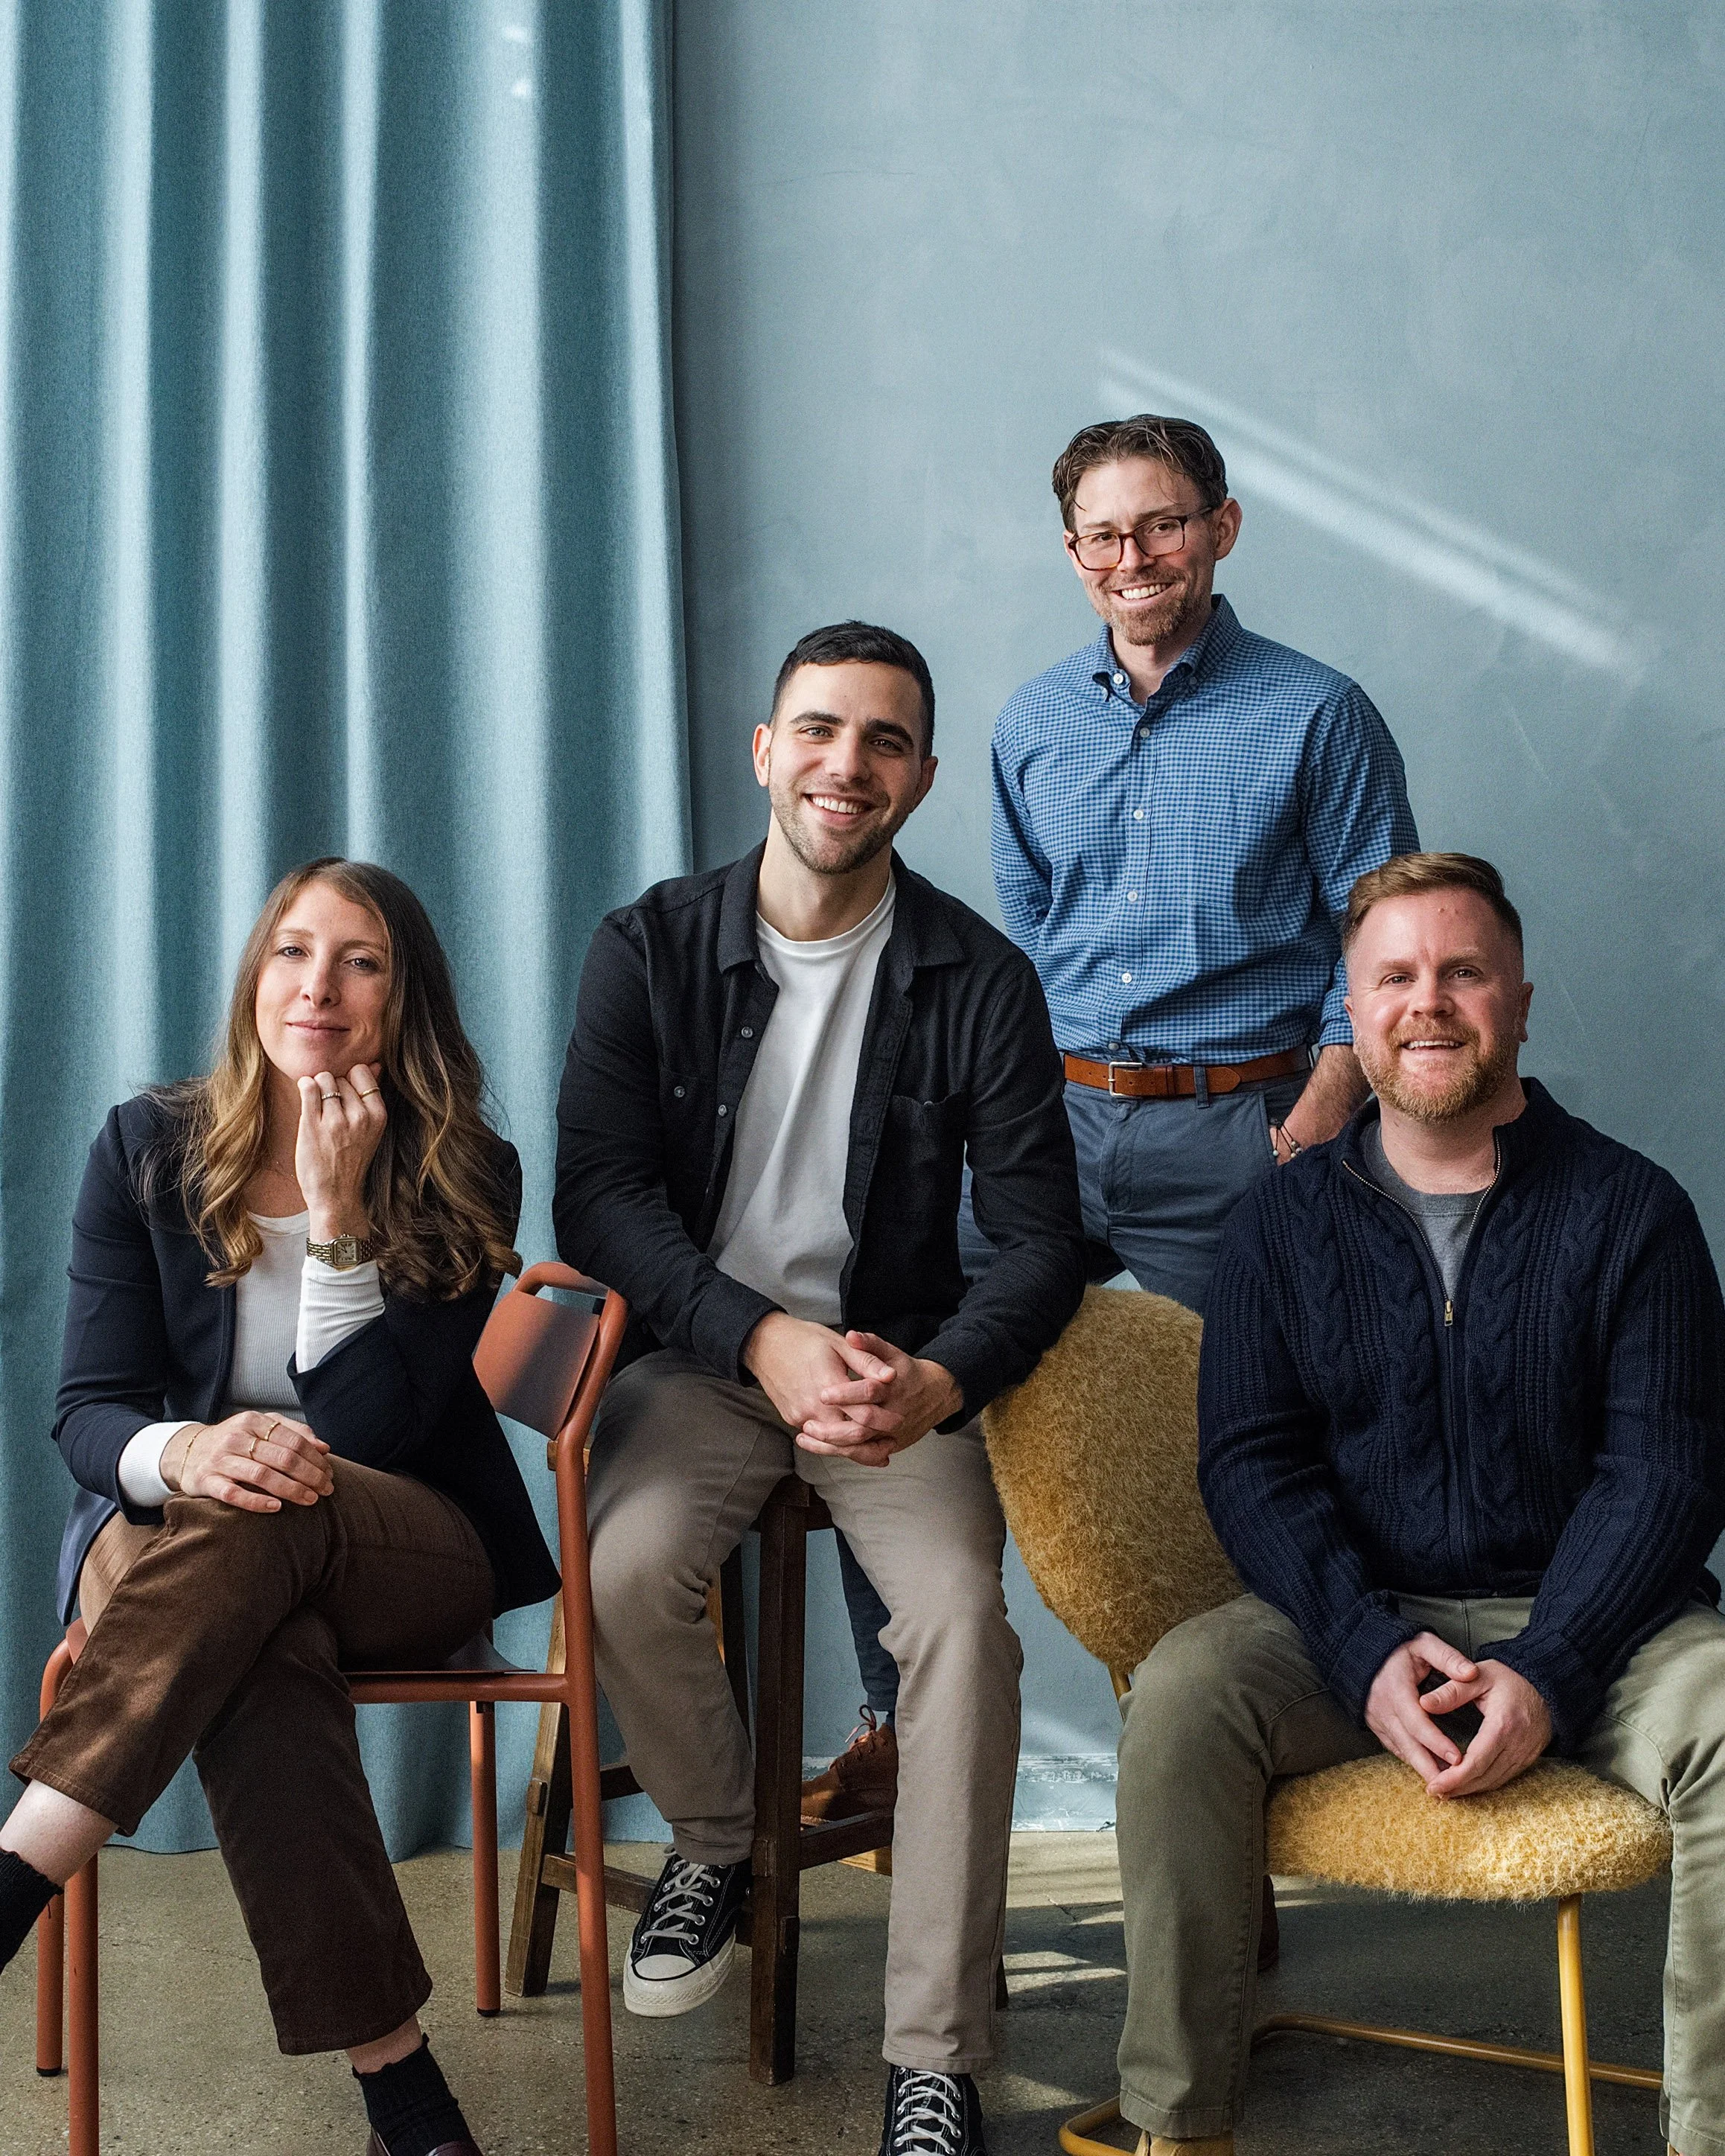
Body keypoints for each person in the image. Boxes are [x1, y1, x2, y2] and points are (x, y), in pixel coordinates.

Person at [822, 412, 1419, 1901]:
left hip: (1252, 1121)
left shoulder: (1317, 712)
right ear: (1072, 549)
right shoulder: (1030, 723)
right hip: (1055, 1120)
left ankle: (1262, 1751)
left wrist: (1318, 1109)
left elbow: (1381, 922)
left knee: (1279, 1439)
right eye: (1104, 533)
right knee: (894, 1370)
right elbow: (1033, 928)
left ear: (1222, 527)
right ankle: (891, 1717)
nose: (1134, 557)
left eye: (1163, 524)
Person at [555, 620, 1086, 2156]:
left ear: (918, 776)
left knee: (964, 1636)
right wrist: (752, 1333)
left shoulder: (979, 978)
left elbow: (1044, 1240)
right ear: (765, 750)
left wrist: (934, 1375)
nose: (846, 764)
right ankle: (721, 1840)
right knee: (630, 1562)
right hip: (707, 1359)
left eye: (884, 741)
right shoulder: (647, 943)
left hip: (887, 1376)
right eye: (820, 729)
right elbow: (598, 1196)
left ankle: (936, 2054)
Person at [1112, 852, 1725, 2156]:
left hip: (1603, 1631)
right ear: (1354, 1009)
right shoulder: (1278, 1226)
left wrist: (1554, 1664)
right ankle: (1179, 2126)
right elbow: (1251, 1463)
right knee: (1182, 1691)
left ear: (1519, 1000)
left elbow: (1667, 1469)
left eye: (1463, 972)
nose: (1428, 1003)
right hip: (1355, 1623)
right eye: (1395, 976)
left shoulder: (1633, 1211)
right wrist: (1362, 1647)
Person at [0, 859, 557, 2156]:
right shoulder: (147, 1147)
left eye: (359, 960)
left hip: (398, 1539)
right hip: (176, 1540)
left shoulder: (470, 1168)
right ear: (257, 976)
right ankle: (407, 2100)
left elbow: (366, 1436)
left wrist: (342, 1216)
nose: (318, 985)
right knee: (259, 1634)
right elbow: (88, 1415)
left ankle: (18, 1867)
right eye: (293, 952)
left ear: (402, 1000)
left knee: (279, 1506)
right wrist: (191, 1452)